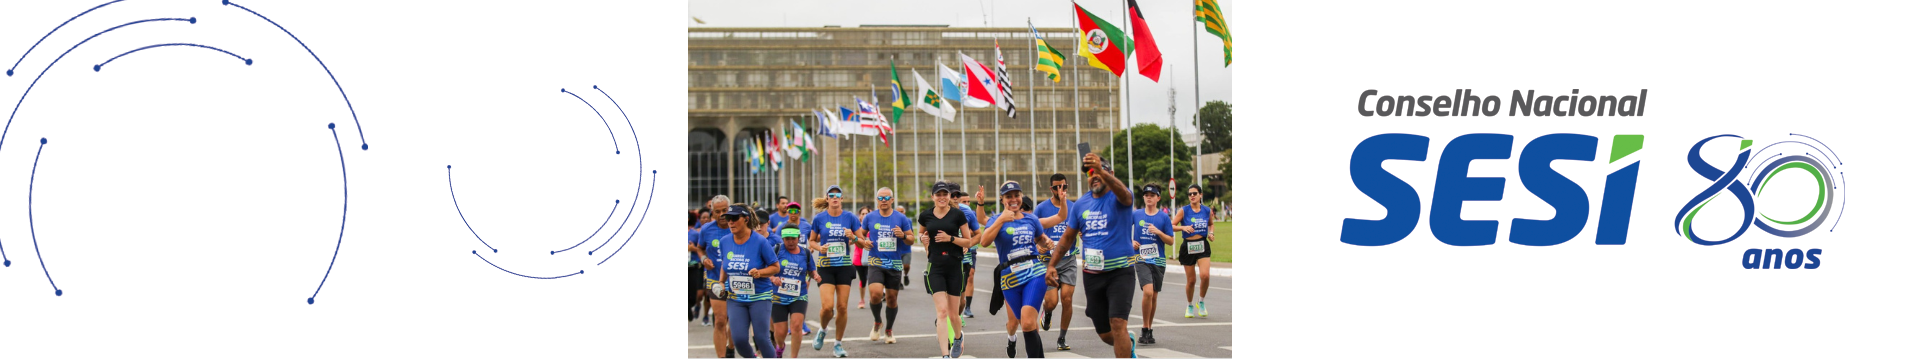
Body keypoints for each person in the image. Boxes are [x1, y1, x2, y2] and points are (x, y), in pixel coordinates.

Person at [1042, 153, 1138, 358]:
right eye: (1090, 173)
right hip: (1093, 274)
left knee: (1118, 323)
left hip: (1120, 271)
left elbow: (1127, 196)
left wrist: (1101, 170)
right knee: (1105, 333)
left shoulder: (1121, 197)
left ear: (1110, 173)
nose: (1094, 176)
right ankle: (1127, 344)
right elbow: (1067, 239)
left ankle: (1125, 349)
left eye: (1099, 171)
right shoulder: (1081, 205)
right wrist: (1051, 265)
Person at [980, 182, 1052, 358]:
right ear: (1002, 199)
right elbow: (984, 241)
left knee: (1028, 322)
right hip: (1010, 278)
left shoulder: (1031, 219)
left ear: (1021, 196)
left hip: (1033, 273)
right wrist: (1001, 220)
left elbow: (1040, 238)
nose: (1013, 199)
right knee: (1027, 325)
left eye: (1016, 195)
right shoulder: (996, 220)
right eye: (1009, 196)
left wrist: (1046, 242)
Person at [916, 180, 977, 358]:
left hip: (954, 266)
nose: (942, 197)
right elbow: (921, 233)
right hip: (935, 266)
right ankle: (945, 355)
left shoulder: (957, 215)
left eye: (945, 194)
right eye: (938, 194)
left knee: (953, 314)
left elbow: (968, 241)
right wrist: (923, 239)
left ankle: (958, 337)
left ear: (949, 196)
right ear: (933, 197)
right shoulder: (925, 216)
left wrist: (950, 239)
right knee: (941, 312)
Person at [718, 204, 780, 358]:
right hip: (735, 298)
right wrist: (720, 282)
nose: (730, 222)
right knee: (738, 340)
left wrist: (760, 272)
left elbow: (775, 267)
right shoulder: (725, 241)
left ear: (745, 219)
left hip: (759, 296)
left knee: (761, 338)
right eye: (728, 219)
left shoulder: (760, 241)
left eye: (734, 219)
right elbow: (725, 264)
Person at [854, 187, 914, 345]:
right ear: (877, 200)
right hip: (876, 262)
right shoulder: (870, 217)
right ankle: (877, 321)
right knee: (875, 295)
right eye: (880, 198)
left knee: (892, 299)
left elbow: (911, 239)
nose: (883, 201)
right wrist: (863, 242)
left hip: (894, 263)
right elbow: (860, 235)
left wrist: (903, 236)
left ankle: (889, 329)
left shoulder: (901, 218)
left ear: (892, 200)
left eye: (887, 198)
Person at [807, 185, 859, 357]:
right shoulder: (819, 218)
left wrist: (853, 237)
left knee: (842, 307)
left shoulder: (850, 217)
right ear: (827, 199)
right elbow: (812, 241)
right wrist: (819, 247)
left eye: (838, 195)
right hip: (826, 266)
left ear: (842, 199)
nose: (835, 197)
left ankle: (838, 344)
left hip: (844, 265)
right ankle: (822, 329)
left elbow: (861, 241)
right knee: (827, 307)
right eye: (832, 195)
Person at [1034, 173, 1078, 350]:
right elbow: (1032, 230)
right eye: (1056, 187)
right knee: (1052, 302)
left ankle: (1062, 337)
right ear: (1050, 189)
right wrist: (1038, 245)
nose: (1061, 190)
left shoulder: (1074, 207)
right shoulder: (1042, 208)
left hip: (1068, 260)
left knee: (1067, 299)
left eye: (1064, 187)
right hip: (1047, 262)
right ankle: (1048, 312)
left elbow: (1081, 227)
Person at [1131, 184, 1177, 345]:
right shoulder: (1136, 214)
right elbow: (1121, 229)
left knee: (1154, 295)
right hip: (1141, 259)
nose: (1149, 197)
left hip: (1158, 260)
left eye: (1152, 195)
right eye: (1146, 195)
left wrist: (1159, 232)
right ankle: (1144, 328)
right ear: (1143, 197)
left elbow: (1171, 241)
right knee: (1148, 292)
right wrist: (1131, 242)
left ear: (1158, 198)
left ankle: (1149, 329)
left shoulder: (1164, 218)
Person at [695, 196, 738, 358]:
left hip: (736, 280)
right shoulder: (707, 229)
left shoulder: (738, 226)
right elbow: (700, 249)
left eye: (725, 211)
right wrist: (703, 259)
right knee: (720, 320)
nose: (721, 214)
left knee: (733, 320)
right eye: (718, 211)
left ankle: (731, 347)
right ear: (712, 212)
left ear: (730, 209)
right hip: (715, 280)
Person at [771, 223, 819, 358]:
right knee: (780, 333)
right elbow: (767, 269)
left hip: (799, 295)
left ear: (798, 238)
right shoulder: (776, 250)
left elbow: (811, 269)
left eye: (793, 238)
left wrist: (815, 275)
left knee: (797, 326)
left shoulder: (805, 252)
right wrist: (773, 278)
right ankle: (780, 346)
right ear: (783, 239)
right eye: (787, 239)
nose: (790, 241)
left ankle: (794, 357)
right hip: (778, 296)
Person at [1173, 184, 1216, 319]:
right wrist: (1183, 228)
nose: (1192, 196)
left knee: (1205, 275)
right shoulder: (1183, 211)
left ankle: (1201, 302)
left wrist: (1211, 233)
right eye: (1190, 194)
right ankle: (1190, 305)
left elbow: (1211, 223)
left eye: (1194, 193)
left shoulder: (1207, 211)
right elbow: (1172, 225)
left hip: (1202, 245)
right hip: (1188, 246)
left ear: (1200, 195)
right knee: (1191, 280)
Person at [954, 188, 983, 320]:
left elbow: (975, 231)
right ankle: (953, 311)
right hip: (953, 250)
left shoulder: (969, 213)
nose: (966, 203)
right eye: (963, 201)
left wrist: (967, 241)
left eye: (968, 201)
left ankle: (967, 307)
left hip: (970, 249)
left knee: (970, 276)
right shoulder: (954, 212)